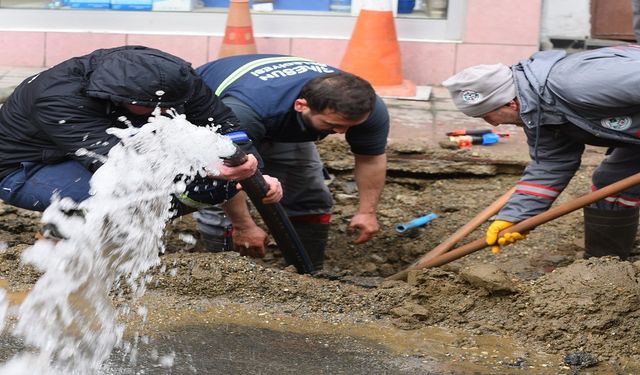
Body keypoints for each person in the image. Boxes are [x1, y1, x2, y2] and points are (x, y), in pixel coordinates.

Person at [0, 45, 282, 239]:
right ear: (118, 97)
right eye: (152, 107)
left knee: (210, 186)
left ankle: (106, 236)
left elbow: (224, 124)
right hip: (23, 167)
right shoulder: (58, 100)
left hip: (91, 148)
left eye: (171, 105)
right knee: (130, 195)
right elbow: (122, 164)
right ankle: (56, 241)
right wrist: (210, 169)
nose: (164, 112)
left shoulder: (173, 77)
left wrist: (254, 170)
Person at [194, 54, 390, 269]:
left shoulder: (366, 107)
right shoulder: (246, 111)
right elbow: (228, 169)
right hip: (209, 119)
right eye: (332, 125)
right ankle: (222, 273)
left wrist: (367, 212)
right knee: (212, 195)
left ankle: (307, 274)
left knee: (307, 193)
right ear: (301, 105)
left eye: (350, 126)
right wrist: (243, 225)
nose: (341, 132)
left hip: (273, 116)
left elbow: (371, 159)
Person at [443, 46, 640, 259]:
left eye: (487, 116)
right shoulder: (539, 111)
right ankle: (605, 270)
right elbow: (552, 164)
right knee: (612, 184)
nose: (494, 125)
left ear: (510, 103)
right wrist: (515, 216)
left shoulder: (579, 84)